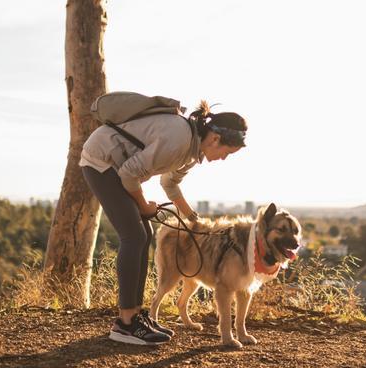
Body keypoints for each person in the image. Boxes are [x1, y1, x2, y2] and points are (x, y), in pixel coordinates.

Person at [79, 100, 248, 345]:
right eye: (227, 153)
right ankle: (125, 323)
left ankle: (136, 316)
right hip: (100, 161)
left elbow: (169, 184)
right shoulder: (179, 139)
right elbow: (128, 173)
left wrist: (191, 217)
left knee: (144, 234)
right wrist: (144, 204)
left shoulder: (191, 152)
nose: (223, 159)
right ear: (215, 139)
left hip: (117, 168)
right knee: (134, 236)